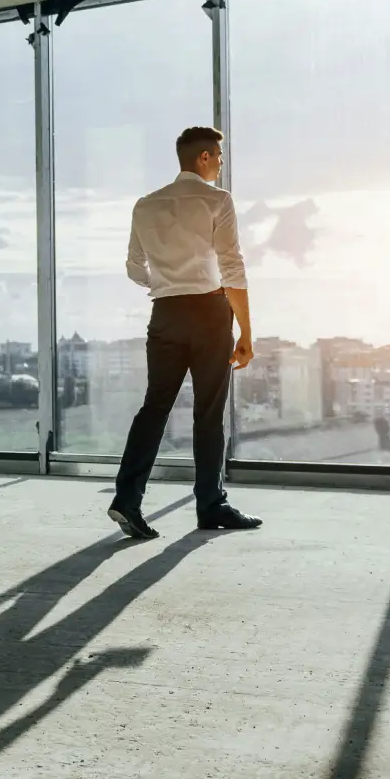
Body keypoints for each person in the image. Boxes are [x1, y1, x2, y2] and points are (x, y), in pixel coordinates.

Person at [107, 126, 262, 539]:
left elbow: (134, 267)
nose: (221, 164)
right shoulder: (218, 200)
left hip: (165, 313)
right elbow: (232, 267)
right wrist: (246, 332)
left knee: (154, 407)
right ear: (205, 157)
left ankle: (126, 499)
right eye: (219, 157)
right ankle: (211, 506)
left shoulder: (145, 205)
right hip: (210, 312)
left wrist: (165, 284)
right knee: (208, 413)